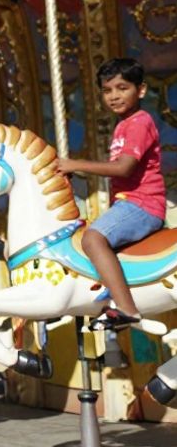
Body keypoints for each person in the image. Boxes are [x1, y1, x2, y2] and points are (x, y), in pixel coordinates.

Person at [59, 57, 168, 329]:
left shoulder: (139, 122)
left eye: (122, 88)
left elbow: (124, 168)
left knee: (93, 238)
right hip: (130, 204)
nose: (114, 96)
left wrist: (75, 163)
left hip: (142, 204)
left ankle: (127, 309)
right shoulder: (124, 125)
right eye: (107, 91)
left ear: (140, 90)